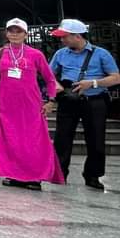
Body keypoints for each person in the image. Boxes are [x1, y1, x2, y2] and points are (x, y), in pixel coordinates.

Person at [0, 18, 64, 190]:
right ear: (6, 33)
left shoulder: (35, 54)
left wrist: (51, 100)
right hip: (7, 105)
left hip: (31, 105)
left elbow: (50, 79)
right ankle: (14, 175)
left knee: (33, 140)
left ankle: (34, 177)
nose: (14, 34)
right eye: (11, 31)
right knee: (11, 139)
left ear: (25, 34)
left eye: (18, 31)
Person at [49, 18, 119, 190]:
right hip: (68, 100)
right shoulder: (60, 54)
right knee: (62, 139)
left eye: (65, 36)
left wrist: (93, 83)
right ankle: (59, 173)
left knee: (96, 139)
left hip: (94, 100)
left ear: (77, 36)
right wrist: (56, 86)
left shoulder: (101, 54)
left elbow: (116, 77)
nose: (62, 40)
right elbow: (48, 75)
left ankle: (93, 175)